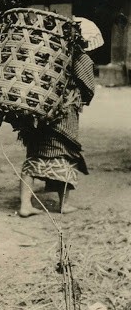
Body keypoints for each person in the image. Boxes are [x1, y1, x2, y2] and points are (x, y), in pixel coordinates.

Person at [17, 40, 95, 217]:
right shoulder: (81, 58)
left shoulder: (44, 50)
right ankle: (63, 204)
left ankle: (25, 204)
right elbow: (88, 89)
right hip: (63, 115)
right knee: (63, 156)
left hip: (38, 109)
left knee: (35, 156)